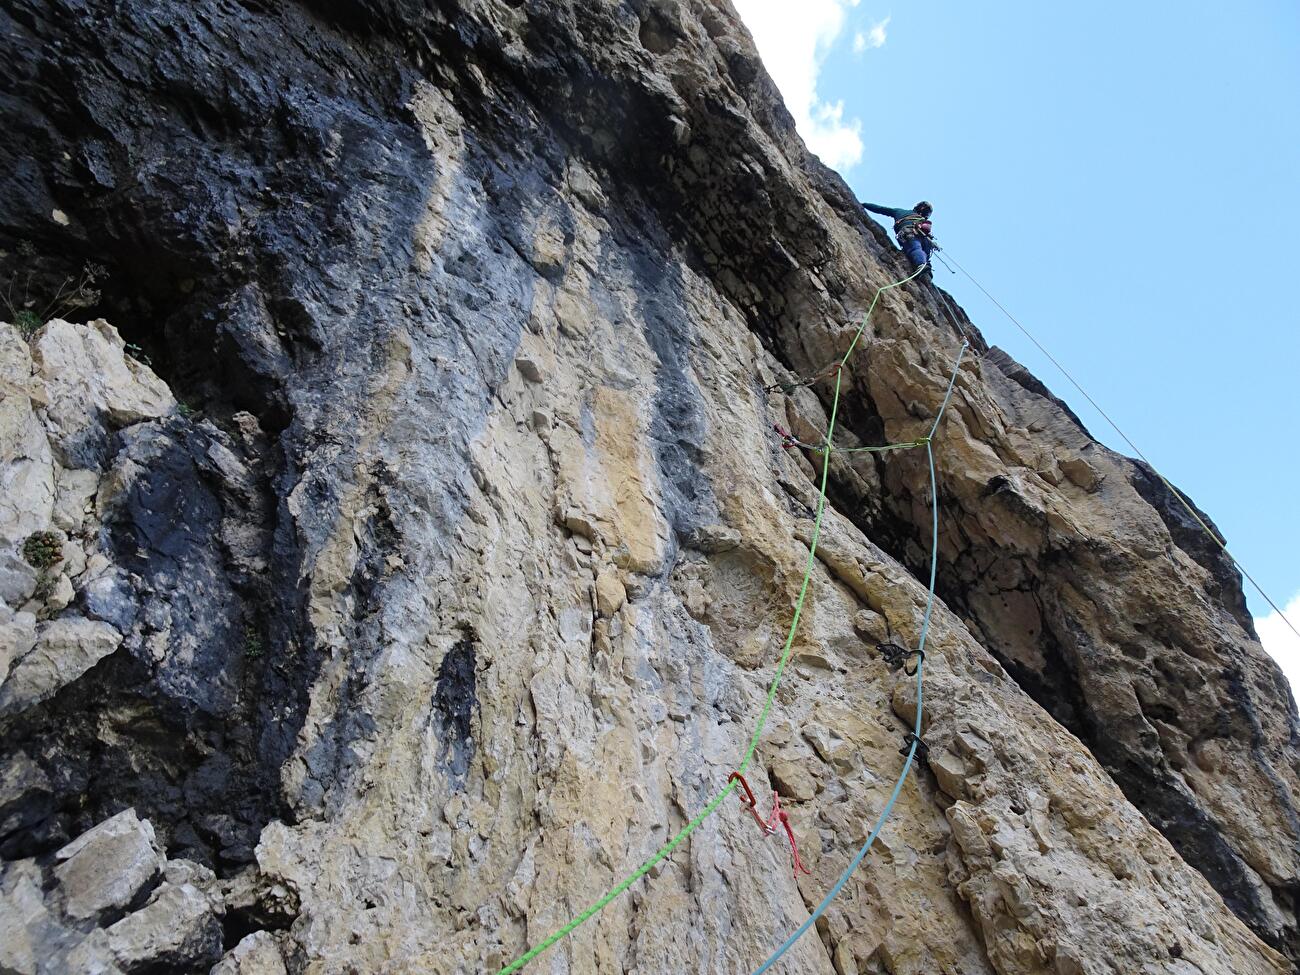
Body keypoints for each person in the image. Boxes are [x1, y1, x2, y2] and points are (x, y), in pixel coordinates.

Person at [861, 200, 937, 271]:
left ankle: (921, 265)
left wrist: (864, 205)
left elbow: (880, 209)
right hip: (926, 239)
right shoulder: (922, 220)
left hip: (910, 233)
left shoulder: (900, 212)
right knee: (925, 255)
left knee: (914, 248)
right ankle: (926, 271)